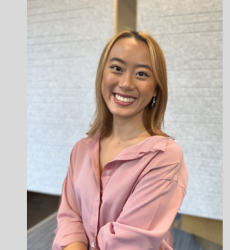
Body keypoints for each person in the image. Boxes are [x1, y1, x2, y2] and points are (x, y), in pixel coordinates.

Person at [52, 30, 188, 250]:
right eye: (117, 68)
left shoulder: (164, 157)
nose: (125, 83)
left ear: (156, 89)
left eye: (142, 73)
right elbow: (70, 217)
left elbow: (129, 242)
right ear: (102, 75)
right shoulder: (81, 150)